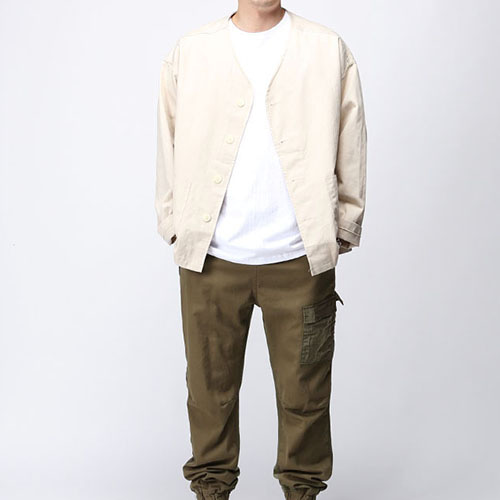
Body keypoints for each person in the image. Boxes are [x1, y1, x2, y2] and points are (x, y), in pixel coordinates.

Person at [155, 1, 367, 499]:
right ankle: (211, 492)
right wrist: (174, 223)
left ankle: (302, 492)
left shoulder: (327, 47)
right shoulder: (192, 50)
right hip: (211, 259)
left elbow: (351, 136)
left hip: (300, 259)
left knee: (306, 397)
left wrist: (343, 225)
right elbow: (167, 137)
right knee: (209, 394)